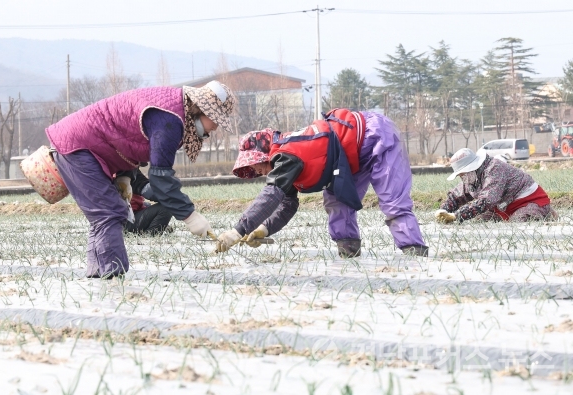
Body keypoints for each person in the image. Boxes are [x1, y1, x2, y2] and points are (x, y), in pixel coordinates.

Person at [46, 81, 235, 278]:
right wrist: (190, 216)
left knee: (104, 216)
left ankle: (98, 274)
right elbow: (160, 178)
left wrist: (125, 176)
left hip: (81, 143)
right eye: (215, 120)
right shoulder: (170, 120)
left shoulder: (174, 110)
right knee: (109, 213)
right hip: (78, 145)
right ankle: (113, 277)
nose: (215, 127)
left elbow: (128, 136)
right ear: (201, 110)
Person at [215, 108, 428, 258]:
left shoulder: (287, 155)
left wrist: (238, 230)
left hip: (375, 136)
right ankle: (349, 254)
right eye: (251, 170)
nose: (256, 171)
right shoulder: (286, 167)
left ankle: (414, 252)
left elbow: (271, 195)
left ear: (265, 152)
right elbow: (287, 205)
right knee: (337, 203)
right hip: (347, 158)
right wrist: (263, 229)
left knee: (392, 201)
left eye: (255, 165)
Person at [435, 148, 556, 223]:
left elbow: (487, 201)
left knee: (518, 223)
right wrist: (444, 211)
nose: (462, 179)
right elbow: (457, 195)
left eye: (463, 175)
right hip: (504, 207)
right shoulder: (472, 178)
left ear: (471, 169)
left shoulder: (494, 169)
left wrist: (457, 215)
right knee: (479, 221)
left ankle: (547, 212)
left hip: (529, 201)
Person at [123, 170, 174, 235]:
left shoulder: (116, 170)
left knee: (147, 205)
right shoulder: (125, 171)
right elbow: (148, 190)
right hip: (124, 222)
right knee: (166, 208)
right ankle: (149, 234)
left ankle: (160, 226)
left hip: (118, 219)